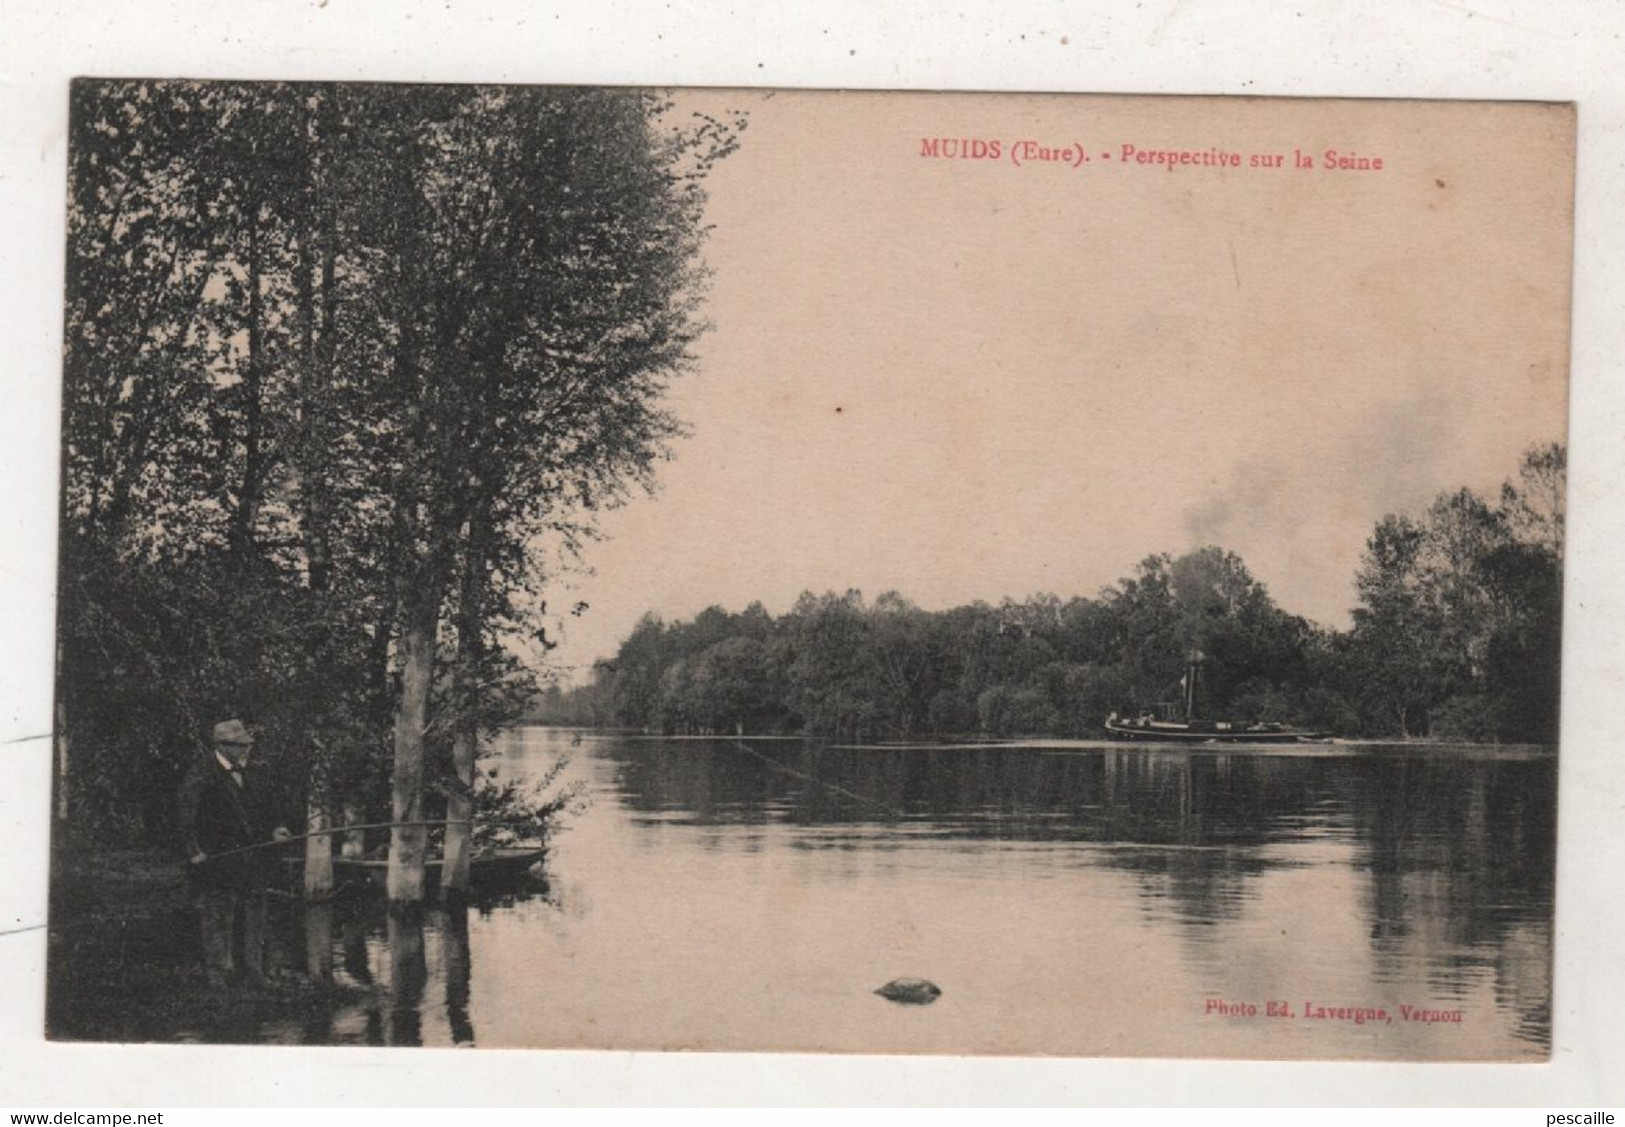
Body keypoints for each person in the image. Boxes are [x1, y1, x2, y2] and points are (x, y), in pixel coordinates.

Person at [177, 718, 290, 985]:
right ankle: (219, 974)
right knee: (218, 917)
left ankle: (253, 971)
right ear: (222, 746)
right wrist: (195, 852)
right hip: (218, 861)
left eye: (247, 745)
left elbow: (271, 808)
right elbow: (186, 819)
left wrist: (278, 829)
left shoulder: (254, 773)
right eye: (240, 746)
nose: (246, 750)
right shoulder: (201, 774)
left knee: (254, 916)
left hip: (254, 859)